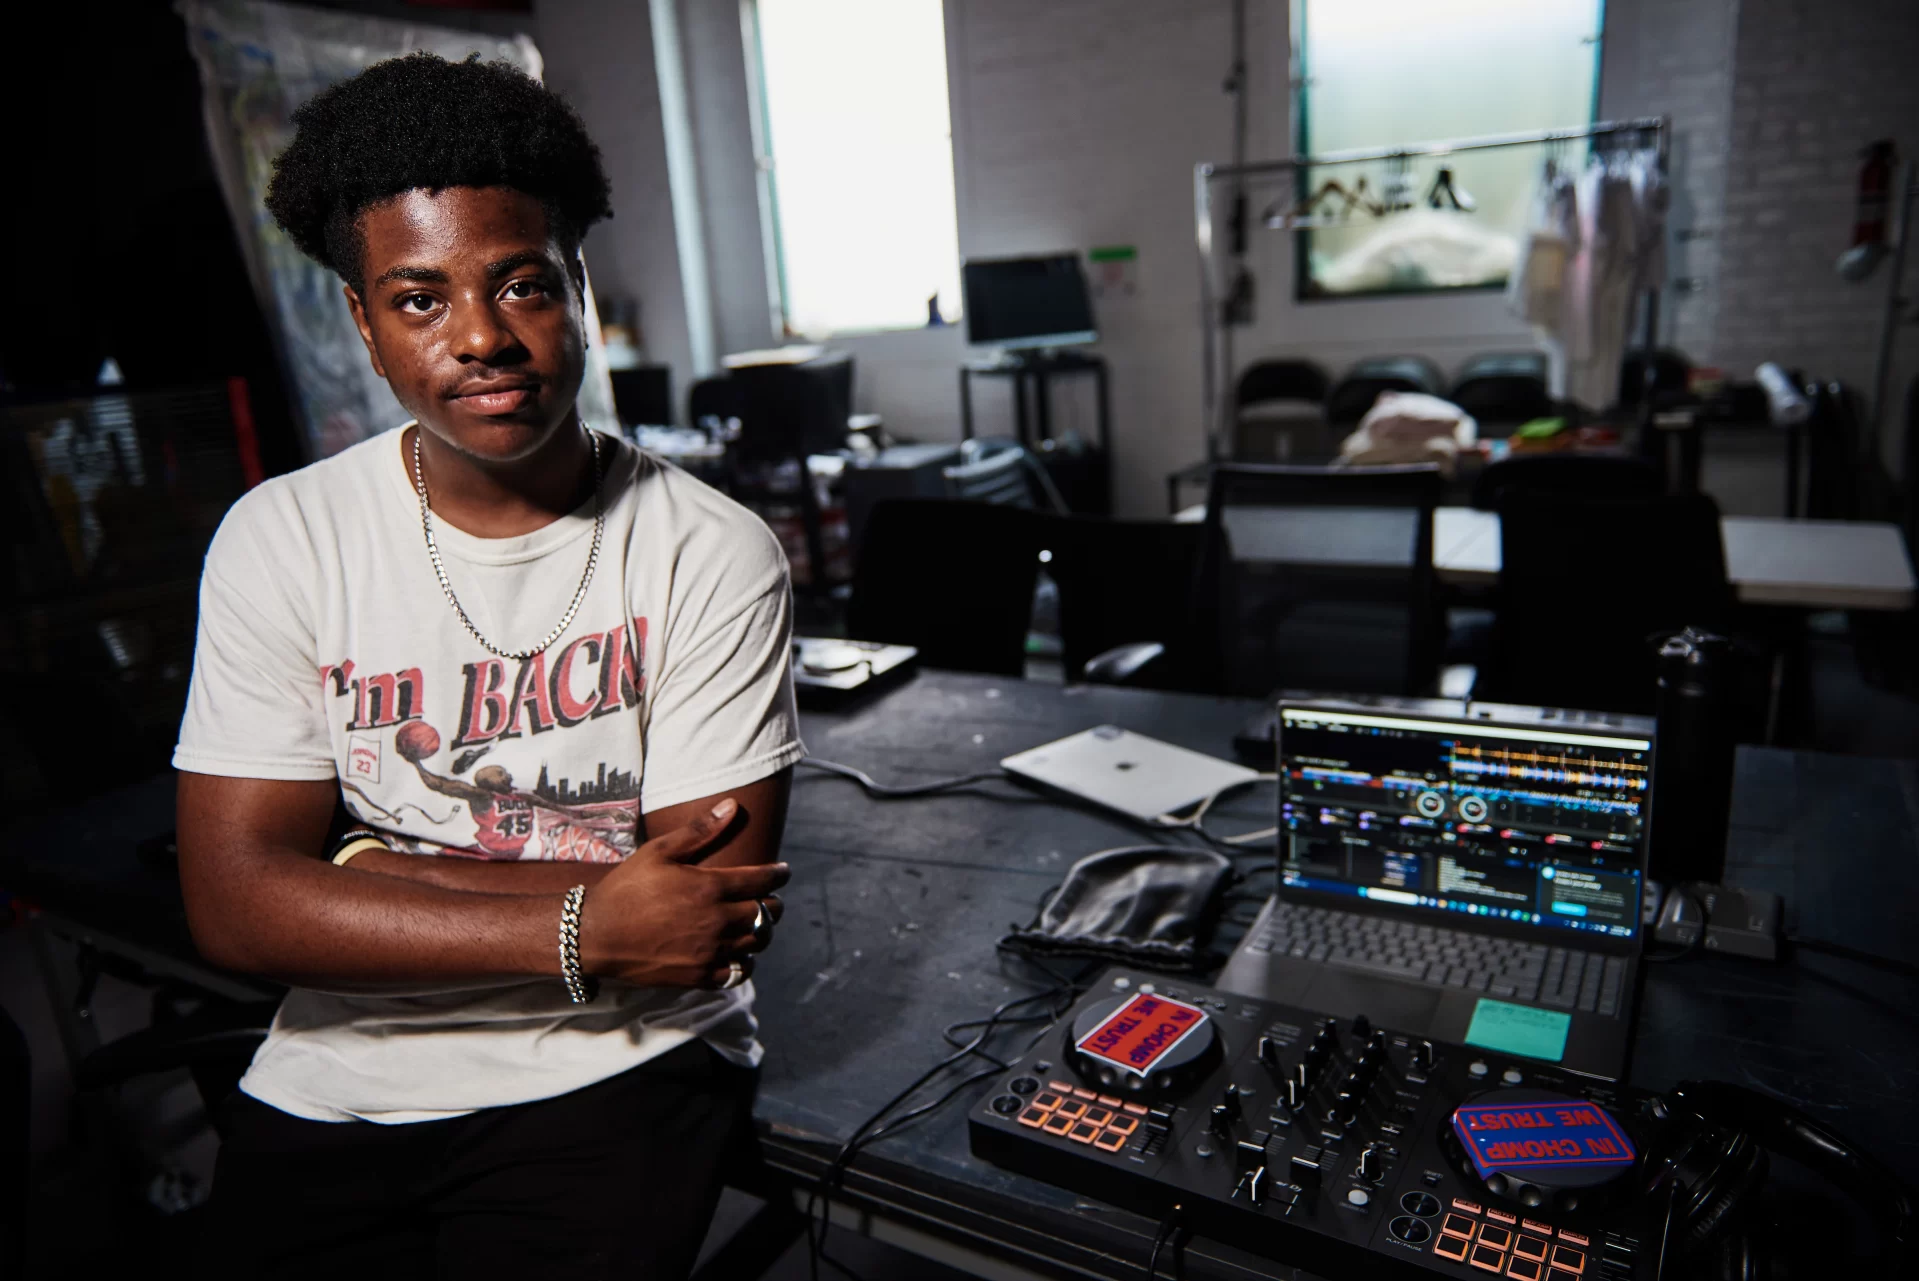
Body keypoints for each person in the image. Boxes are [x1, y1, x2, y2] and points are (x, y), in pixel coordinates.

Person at [172, 52, 802, 1278]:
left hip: (615, 1066)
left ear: (577, 285)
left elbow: (692, 924)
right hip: (338, 1071)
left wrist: (359, 869)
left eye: (520, 285)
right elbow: (236, 904)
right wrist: (581, 918)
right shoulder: (282, 537)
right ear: (362, 322)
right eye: (417, 300)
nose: (479, 338)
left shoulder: (707, 549)